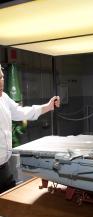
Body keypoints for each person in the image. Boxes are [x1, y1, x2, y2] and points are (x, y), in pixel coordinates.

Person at [0, 64, 60, 192]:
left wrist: (48, 107)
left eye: (2, 77)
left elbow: (21, 112)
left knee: (8, 201)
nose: (1, 82)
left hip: (4, 167)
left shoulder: (4, 98)